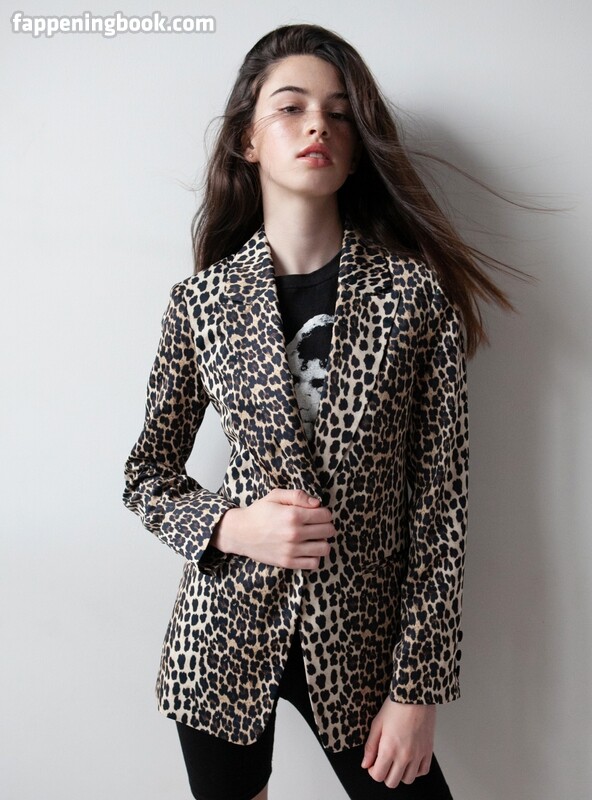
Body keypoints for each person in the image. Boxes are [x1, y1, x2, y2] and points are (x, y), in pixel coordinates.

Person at [122, 23, 526, 800]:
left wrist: (416, 691)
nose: (318, 126)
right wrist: (231, 527)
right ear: (248, 139)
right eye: (292, 107)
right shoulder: (201, 303)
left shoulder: (414, 298)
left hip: (364, 651)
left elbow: (440, 513)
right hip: (221, 637)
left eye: (339, 113)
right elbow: (146, 476)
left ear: (358, 143)